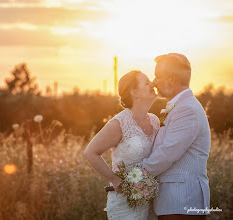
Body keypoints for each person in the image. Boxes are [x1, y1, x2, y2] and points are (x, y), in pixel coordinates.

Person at [138, 53, 211, 220]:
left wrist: (134, 176)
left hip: (182, 201)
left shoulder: (187, 110)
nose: (154, 81)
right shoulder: (180, 107)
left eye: (157, 76)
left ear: (171, 79)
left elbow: (167, 153)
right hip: (175, 202)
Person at [84, 70, 159, 220]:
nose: (153, 83)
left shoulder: (155, 120)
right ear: (135, 92)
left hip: (152, 202)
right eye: (146, 82)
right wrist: (115, 179)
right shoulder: (119, 123)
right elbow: (90, 152)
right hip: (125, 205)